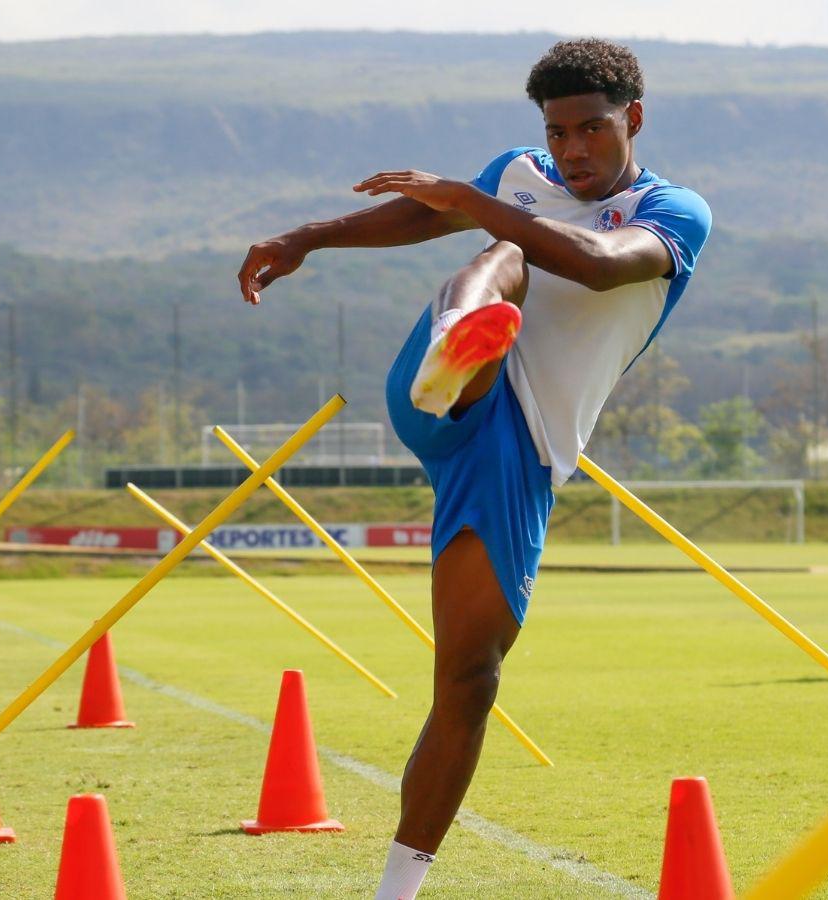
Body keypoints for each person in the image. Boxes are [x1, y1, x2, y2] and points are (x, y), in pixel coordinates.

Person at [236, 38, 711, 899]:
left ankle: (395, 892)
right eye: (558, 131)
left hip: (518, 452)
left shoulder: (673, 211)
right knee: (506, 258)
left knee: (469, 679)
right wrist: (310, 236)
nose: (572, 148)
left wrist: (474, 202)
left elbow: (601, 266)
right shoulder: (516, 174)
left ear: (633, 119)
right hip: (440, 390)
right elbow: (422, 220)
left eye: (592, 128)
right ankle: (461, 346)